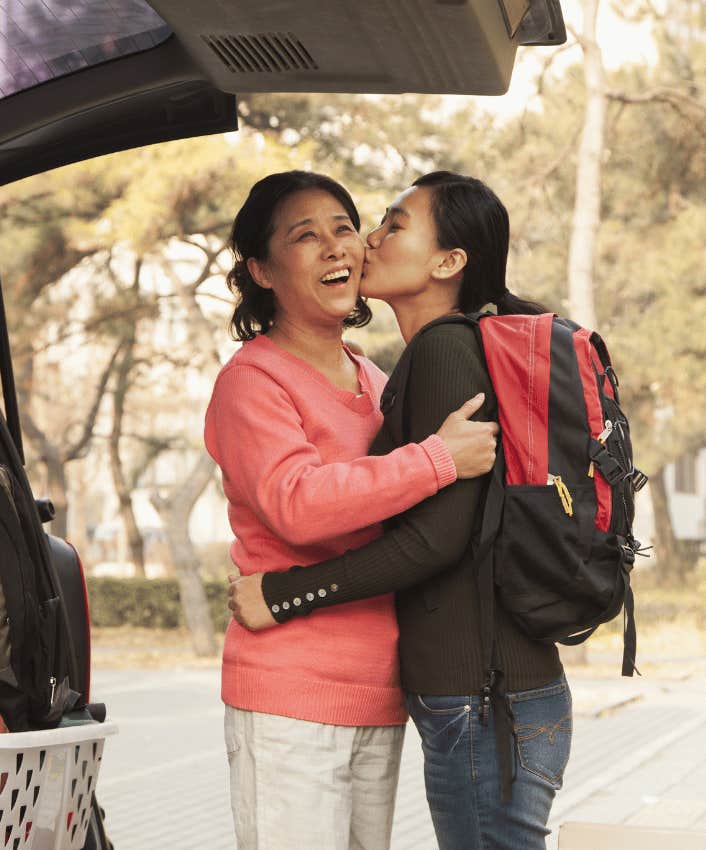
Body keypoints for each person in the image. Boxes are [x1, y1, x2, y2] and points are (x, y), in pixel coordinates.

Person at [228, 172, 570, 850]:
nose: (342, 246)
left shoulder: (385, 376)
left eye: (344, 227)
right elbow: (298, 505)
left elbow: (434, 532)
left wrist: (290, 591)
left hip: (383, 692)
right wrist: (435, 459)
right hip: (293, 692)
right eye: (305, 236)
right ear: (261, 270)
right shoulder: (252, 380)